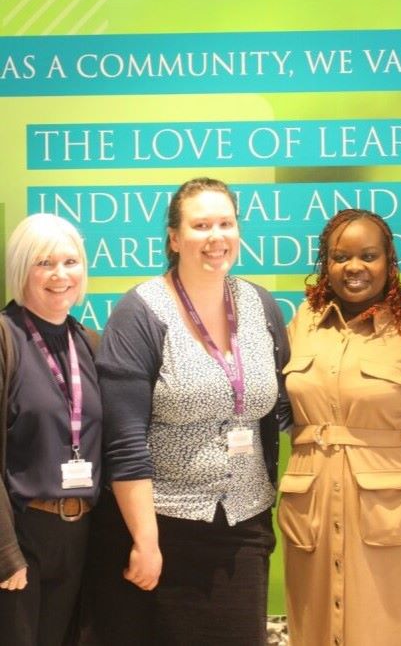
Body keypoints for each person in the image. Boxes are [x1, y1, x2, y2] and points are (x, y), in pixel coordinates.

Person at [80, 177, 290, 646]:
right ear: (174, 238)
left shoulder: (261, 307)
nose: (216, 237)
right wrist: (146, 542)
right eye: (200, 226)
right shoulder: (141, 312)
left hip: (244, 524)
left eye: (225, 223)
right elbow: (125, 440)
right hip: (161, 528)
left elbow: (279, 405)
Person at [279, 208, 401, 646]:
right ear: (325, 265)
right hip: (308, 516)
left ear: (389, 262)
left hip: (395, 523)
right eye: (340, 256)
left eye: (368, 256)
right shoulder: (300, 327)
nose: (354, 267)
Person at [0, 214, 101, 646]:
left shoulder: (90, 344)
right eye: (44, 263)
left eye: (70, 261)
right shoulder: (5, 339)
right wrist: (6, 555)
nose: (61, 275)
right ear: (21, 269)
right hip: (23, 537)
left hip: (82, 539)